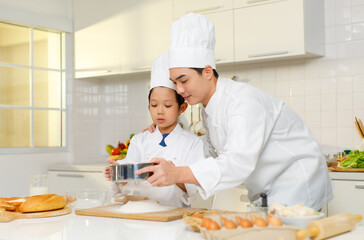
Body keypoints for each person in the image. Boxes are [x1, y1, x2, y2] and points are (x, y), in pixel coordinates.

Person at [137, 13, 333, 211]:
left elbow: (237, 161)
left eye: (184, 81)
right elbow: (210, 152)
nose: (179, 90)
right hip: (266, 191)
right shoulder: (210, 107)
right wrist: (168, 133)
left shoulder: (242, 101)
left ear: (207, 72)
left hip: (296, 185)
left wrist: (178, 173)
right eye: (175, 83)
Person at [103, 51, 204, 207]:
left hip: (174, 218)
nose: (160, 111)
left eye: (168, 105)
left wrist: (174, 175)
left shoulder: (193, 143)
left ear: (182, 107)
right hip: (139, 215)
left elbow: (192, 192)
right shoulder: (139, 140)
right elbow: (126, 186)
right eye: (154, 105)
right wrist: (117, 173)